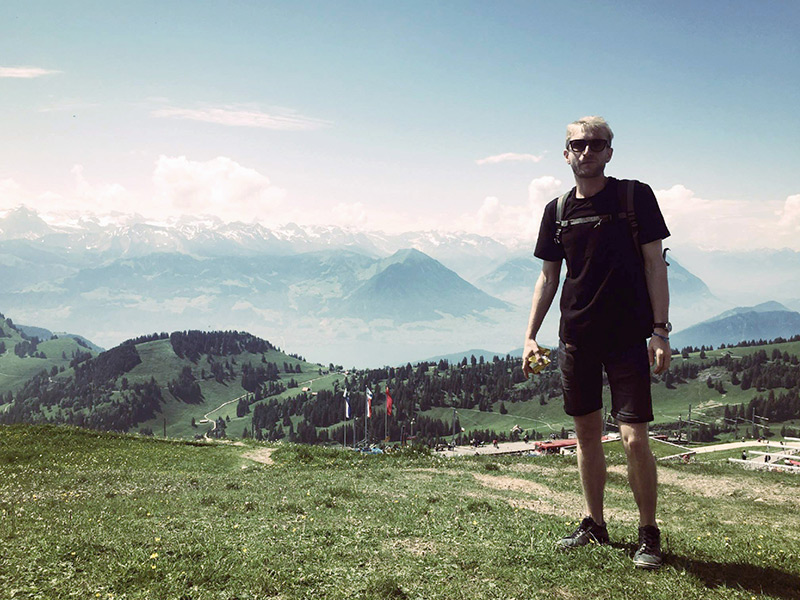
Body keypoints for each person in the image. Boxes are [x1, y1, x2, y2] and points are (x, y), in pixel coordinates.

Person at [522, 116, 671, 570]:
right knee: (586, 436)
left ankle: (648, 532)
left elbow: (654, 264)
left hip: (627, 337)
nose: (586, 152)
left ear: (609, 151)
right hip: (577, 339)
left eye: (595, 145)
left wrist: (660, 330)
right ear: (565, 153)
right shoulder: (558, 209)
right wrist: (530, 335)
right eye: (577, 145)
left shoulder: (634, 196)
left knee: (633, 438)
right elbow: (548, 278)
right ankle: (595, 522)